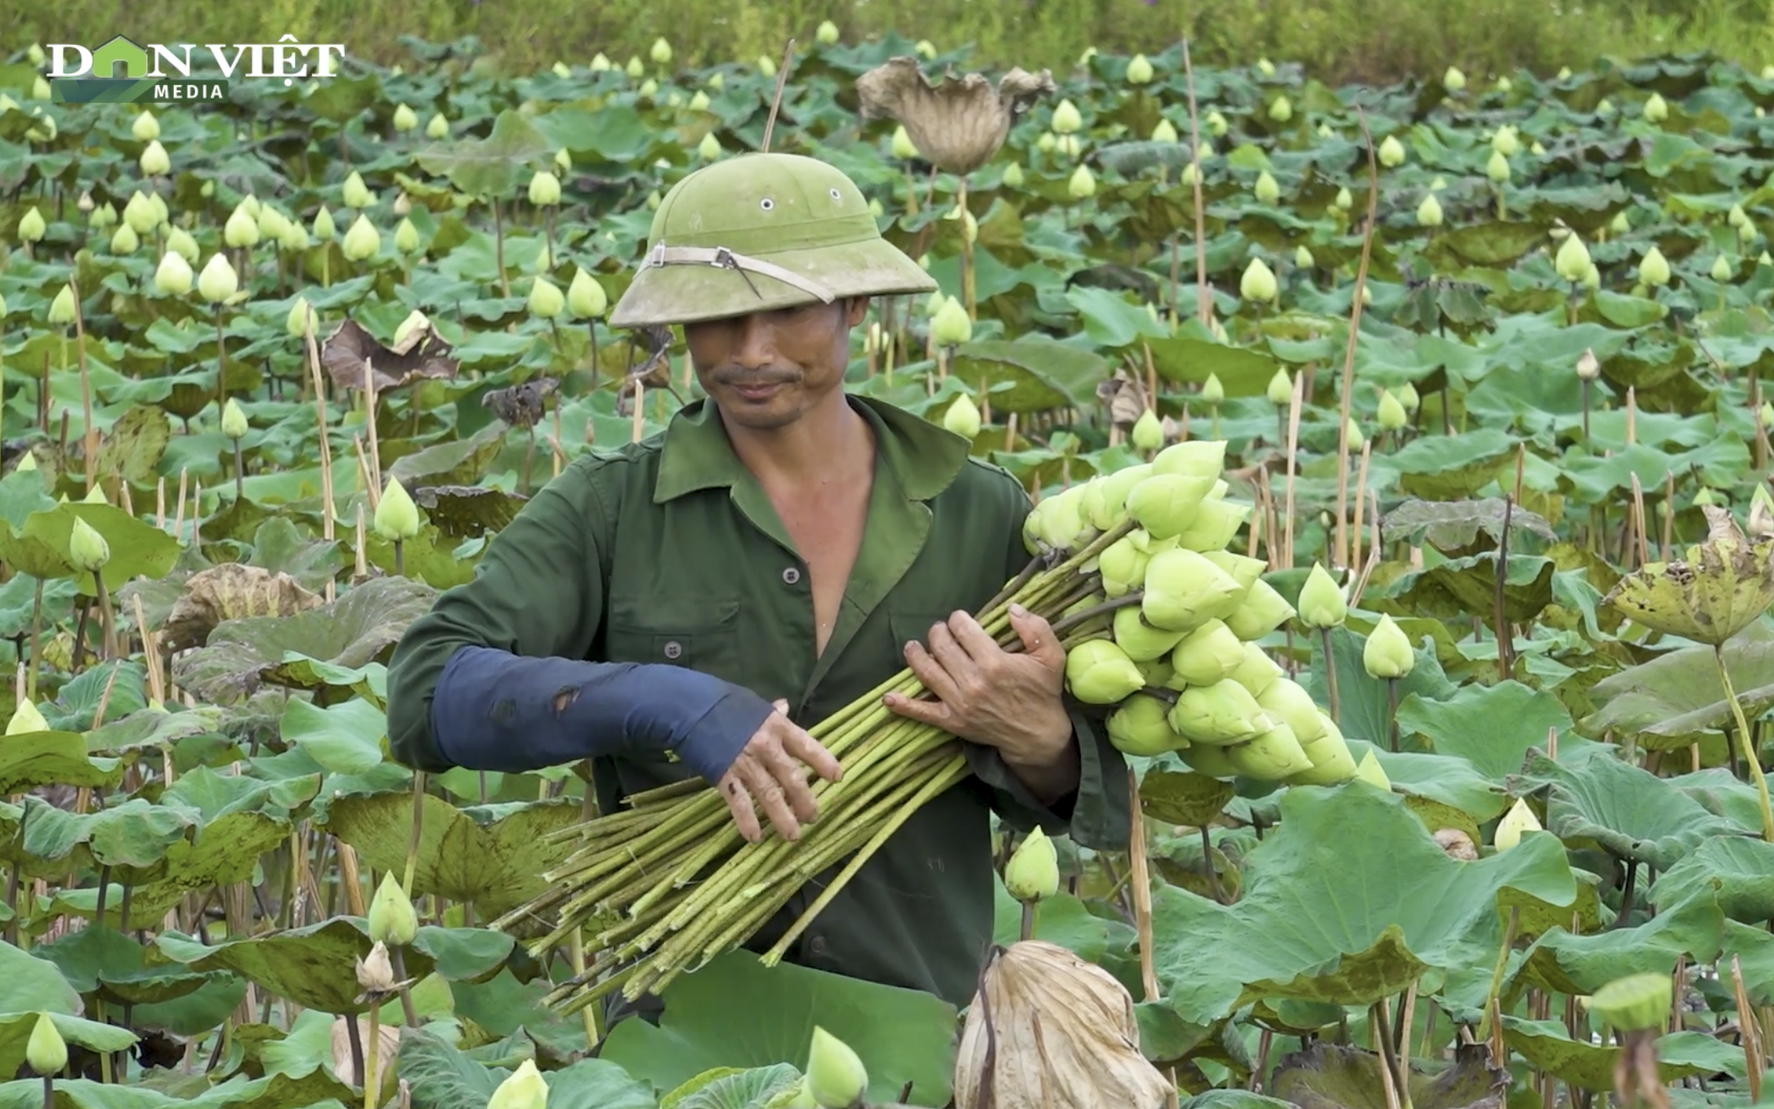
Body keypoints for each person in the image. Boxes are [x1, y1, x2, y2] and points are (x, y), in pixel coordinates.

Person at [383, 151, 1128, 1013]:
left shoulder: (981, 514)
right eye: (716, 318)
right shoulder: (610, 505)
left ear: (854, 303)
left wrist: (1044, 742)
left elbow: (1087, 794)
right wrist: (669, 702)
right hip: (681, 1036)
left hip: (917, 1031)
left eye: (785, 312)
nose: (750, 351)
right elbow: (425, 692)